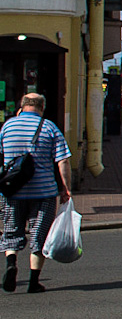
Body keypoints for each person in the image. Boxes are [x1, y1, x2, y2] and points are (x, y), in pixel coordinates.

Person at [0, 93, 72, 294]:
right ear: (42, 107)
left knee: (11, 231)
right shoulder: (49, 127)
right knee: (39, 234)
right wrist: (66, 188)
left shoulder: (7, 126)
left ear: (21, 107)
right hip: (44, 192)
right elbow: (63, 161)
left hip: (12, 191)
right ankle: (33, 282)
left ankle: (11, 264)